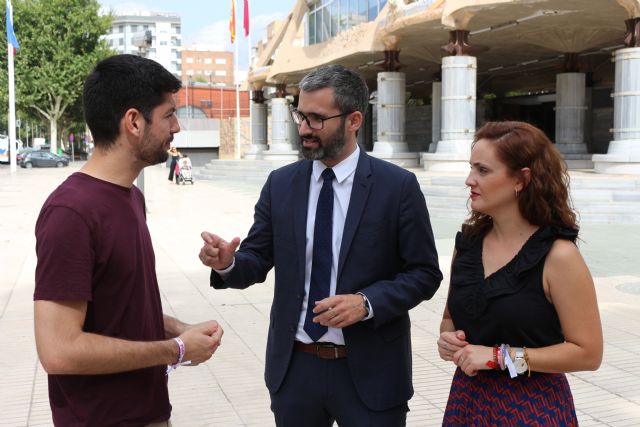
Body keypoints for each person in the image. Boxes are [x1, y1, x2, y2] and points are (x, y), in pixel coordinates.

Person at [199, 64, 443, 426]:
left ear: (354, 119)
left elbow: (424, 274)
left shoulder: (397, 187)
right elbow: (256, 258)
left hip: (372, 374)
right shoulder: (281, 184)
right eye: (300, 115)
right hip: (295, 370)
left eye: (316, 118)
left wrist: (367, 303)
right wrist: (227, 263)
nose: (303, 128)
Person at [33, 54, 224, 427]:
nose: (178, 127)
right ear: (134, 122)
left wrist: (177, 328)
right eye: (169, 114)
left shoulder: (130, 197)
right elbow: (59, 350)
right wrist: (177, 349)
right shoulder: (71, 213)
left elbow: (119, 311)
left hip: (147, 412)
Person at [437, 121, 603, 426]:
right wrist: (449, 341)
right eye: (471, 168)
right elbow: (450, 320)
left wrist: (499, 357)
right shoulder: (468, 248)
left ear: (521, 179)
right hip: (467, 401)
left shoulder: (558, 256)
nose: (469, 180)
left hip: (531, 409)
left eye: (483, 170)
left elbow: (588, 354)